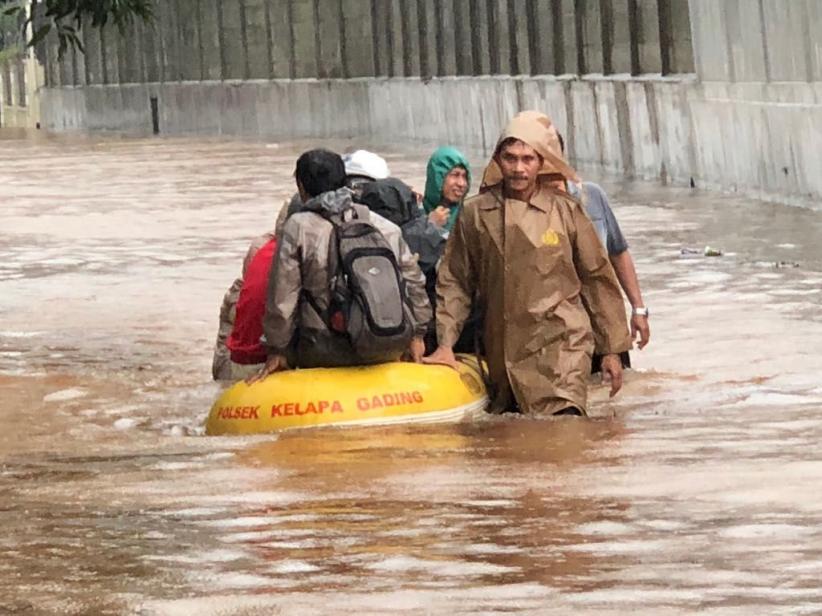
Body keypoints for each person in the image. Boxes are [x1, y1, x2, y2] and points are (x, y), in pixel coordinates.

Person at [424, 112, 632, 416]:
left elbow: (596, 278)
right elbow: (455, 280)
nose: (518, 168)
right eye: (510, 158)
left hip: (563, 347)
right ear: (498, 160)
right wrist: (445, 343)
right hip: (504, 351)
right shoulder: (476, 213)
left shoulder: (566, 211)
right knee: (515, 447)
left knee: (565, 433)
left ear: (541, 162)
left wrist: (611, 349)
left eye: (527, 159)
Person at [251, 149, 432, 380]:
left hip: (323, 351)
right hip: (386, 345)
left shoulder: (298, 227)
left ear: (301, 186)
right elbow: (414, 282)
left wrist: (277, 349)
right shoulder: (383, 225)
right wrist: (417, 336)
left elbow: (283, 297)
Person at [556, 132, 650, 370]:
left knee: (617, 399)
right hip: (560, 335)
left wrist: (639, 309)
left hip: (604, 326)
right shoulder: (525, 211)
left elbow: (618, 252)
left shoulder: (592, 197)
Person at [422, 146, 471, 236]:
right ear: (437, 177)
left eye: (465, 177)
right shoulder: (415, 216)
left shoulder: (470, 218)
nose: (462, 184)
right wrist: (431, 227)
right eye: (455, 175)